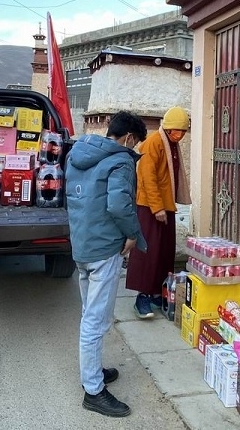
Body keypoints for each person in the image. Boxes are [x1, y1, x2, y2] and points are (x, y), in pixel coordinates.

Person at [65, 111, 148, 417]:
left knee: (89, 312)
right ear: (129, 137)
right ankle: (93, 391)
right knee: (96, 320)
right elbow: (118, 204)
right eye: (135, 143)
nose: (134, 148)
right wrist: (132, 234)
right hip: (104, 249)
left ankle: (93, 370)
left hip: (82, 245)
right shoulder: (121, 160)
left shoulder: (77, 153)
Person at [125, 106, 191, 319]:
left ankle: (157, 293)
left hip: (166, 206)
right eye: (176, 131)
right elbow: (147, 177)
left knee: (164, 253)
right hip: (150, 207)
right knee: (148, 252)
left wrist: (165, 207)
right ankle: (142, 298)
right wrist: (157, 207)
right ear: (168, 128)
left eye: (182, 132)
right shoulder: (153, 142)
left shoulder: (172, 144)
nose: (179, 135)